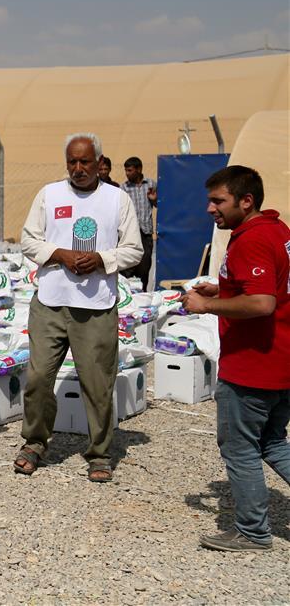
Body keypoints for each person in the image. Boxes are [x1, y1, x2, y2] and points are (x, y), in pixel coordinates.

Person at [14, 133, 143, 482]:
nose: (78, 168)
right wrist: (61, 255)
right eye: (72, 161)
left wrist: (102, 259)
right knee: (39, 378)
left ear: (99, 163)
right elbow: (29, 239)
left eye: (85, 162)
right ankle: (34, 442)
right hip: (51, 304)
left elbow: (134, 249)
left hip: (96, 308)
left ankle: (99, 453)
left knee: (98, 383)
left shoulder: (116, 200)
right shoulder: (49, 194)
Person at [181, 165, 290, 552]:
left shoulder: (252, 240)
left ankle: (252, 531)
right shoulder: (277, 230)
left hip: (252, 368)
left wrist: (207, 303)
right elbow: (265, 285)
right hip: (279, 361)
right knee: (273, 443)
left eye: (218, 201)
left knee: (240, 448)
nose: (211, 209)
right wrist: (224, 286)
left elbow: (262, 302)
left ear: (247, 201)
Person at [121, 156, 157, 290]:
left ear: (139, 169)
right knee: (128, 267)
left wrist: (153, 199)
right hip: (130, 233)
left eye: (130, 170)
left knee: (144, 267)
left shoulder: (151, 185)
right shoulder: (124, 188)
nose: (127, 173)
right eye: (126, 170)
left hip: (146, 233)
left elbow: (160, 205)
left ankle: (143, 293)